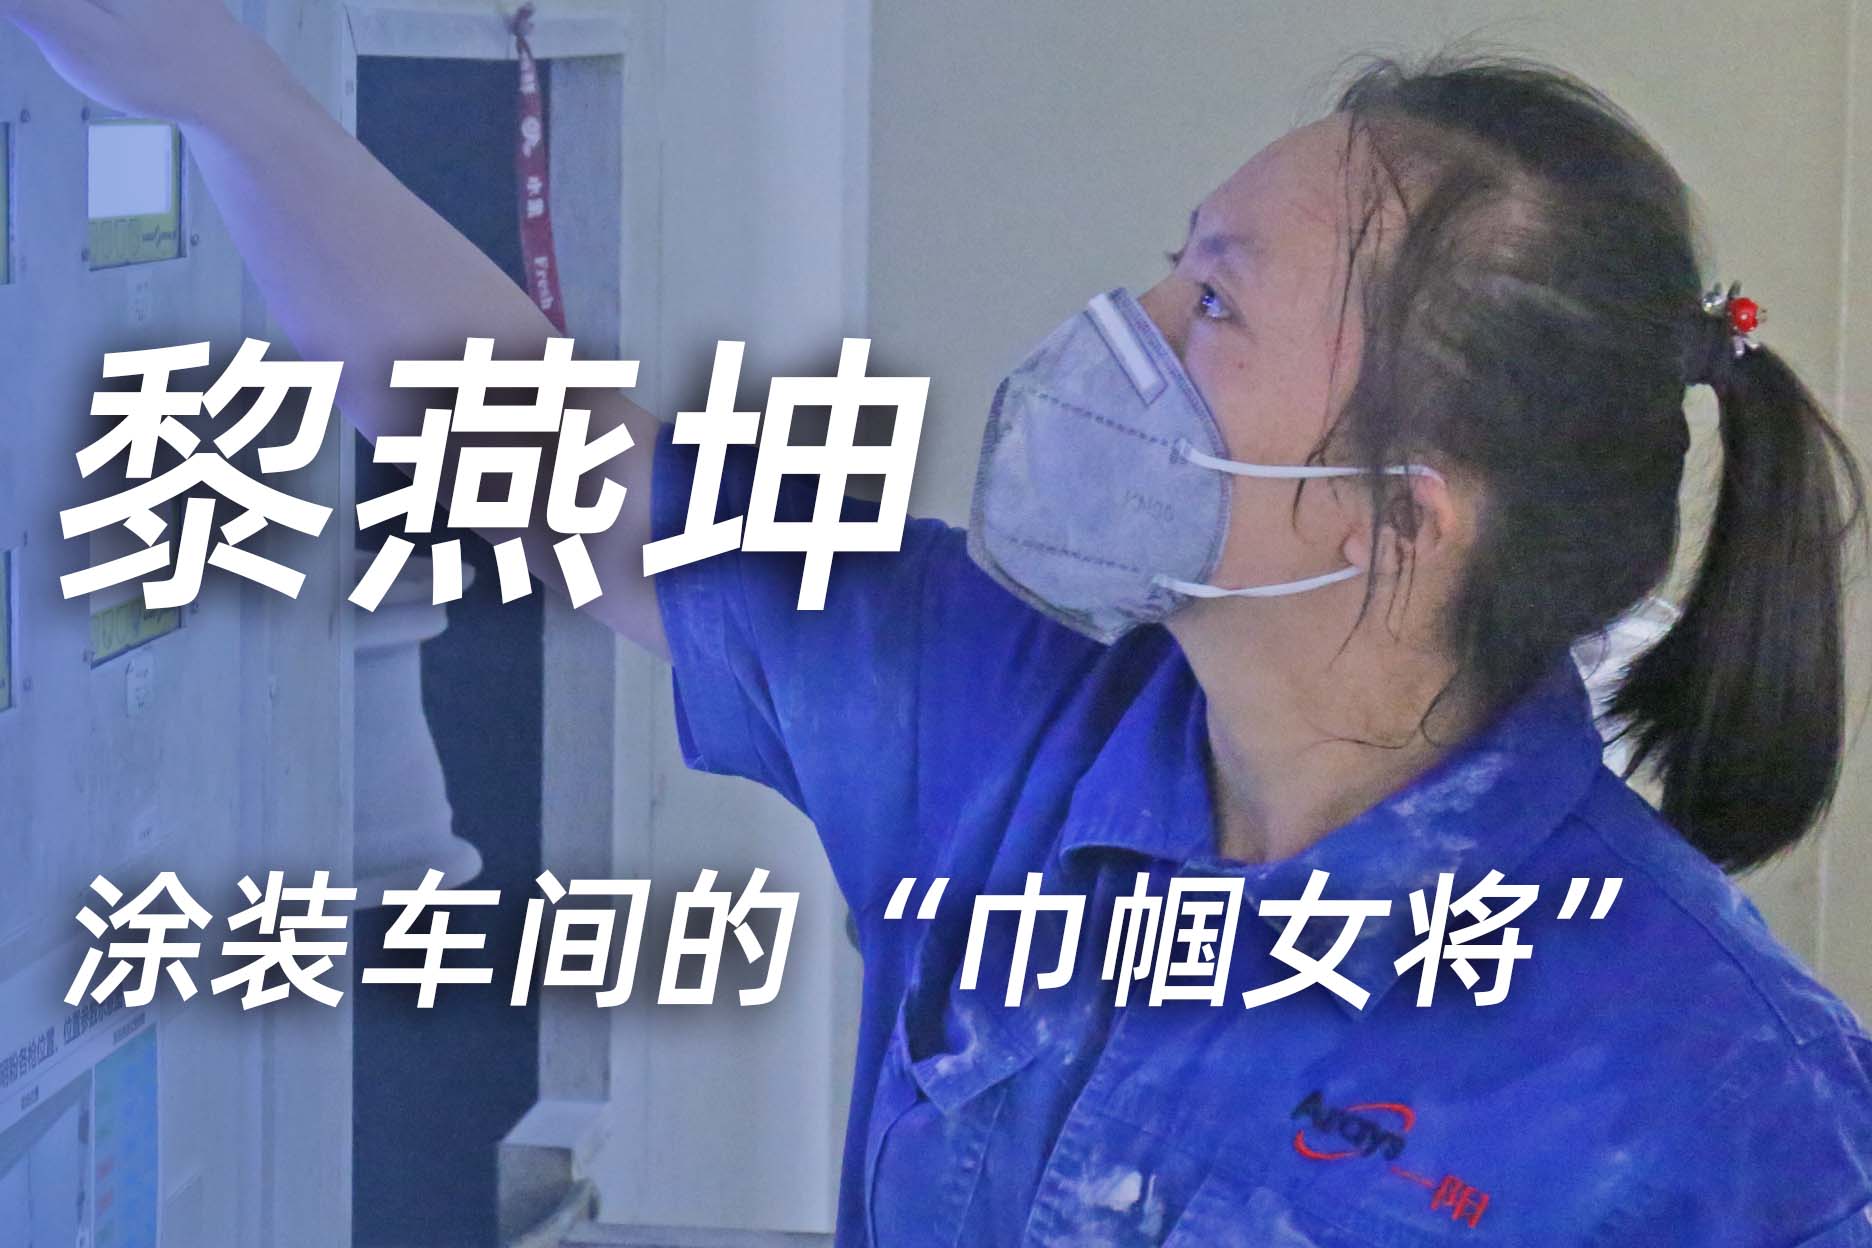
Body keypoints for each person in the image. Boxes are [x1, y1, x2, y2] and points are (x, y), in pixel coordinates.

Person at [8, 2, 1871, 1242]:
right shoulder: (1015, 721)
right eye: (1171, 265)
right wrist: (226, 98)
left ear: (1404, 512)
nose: (1122, 335)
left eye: (1215, 307)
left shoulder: (1716, 1106)